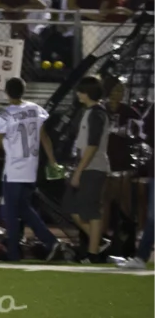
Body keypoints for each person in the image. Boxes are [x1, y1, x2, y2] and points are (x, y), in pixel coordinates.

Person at [0, 77, 64, 262]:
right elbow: (44, 137)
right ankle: (51, 242)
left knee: (11, 213)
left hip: (14, 168)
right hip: (30, 167)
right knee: (24, 208)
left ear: (7, 92)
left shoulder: (4, 115)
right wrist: (53, 161)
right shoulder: (35, 109)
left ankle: (14, 253)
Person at [63, 75, 112, 260]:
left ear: (87, 93)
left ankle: (93, 253)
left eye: (80, 91)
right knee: (72, 208)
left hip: (94, 167)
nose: (77, 94)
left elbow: (92, 146)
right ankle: (98, 242)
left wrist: (79, 171)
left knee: (91, 211)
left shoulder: (97, 113)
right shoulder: (90, 112)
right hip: (87, 167)